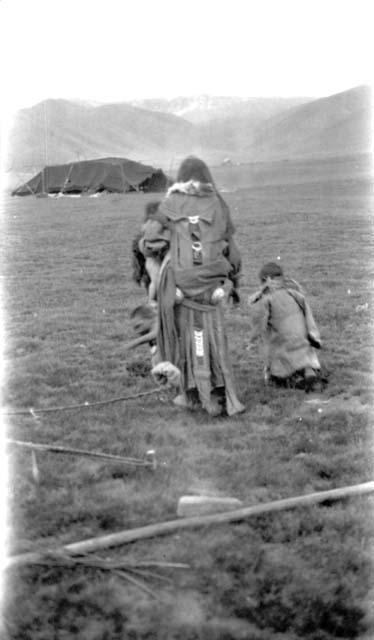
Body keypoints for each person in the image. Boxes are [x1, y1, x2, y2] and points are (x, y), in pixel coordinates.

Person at [152, 156, 245, 416]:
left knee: (191, 339)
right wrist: (232, 278)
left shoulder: (170, 202)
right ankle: (217, 391)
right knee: (211, 337)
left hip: (182, 286)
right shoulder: (217, 203)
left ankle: (192, 392)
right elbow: (233, 253)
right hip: (211, 287)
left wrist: (171, 252)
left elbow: (150, 237)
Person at [247, 262, 322, 391]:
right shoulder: (295, 294)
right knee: (304, 356)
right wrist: (314, 337)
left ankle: (291, 378)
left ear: (268, 279)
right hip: (304, 345)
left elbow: (259, 325)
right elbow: (309, 318)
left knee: (277, 365)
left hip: (284, 347)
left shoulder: (266, 300)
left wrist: (251, 340)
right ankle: (309, 371)